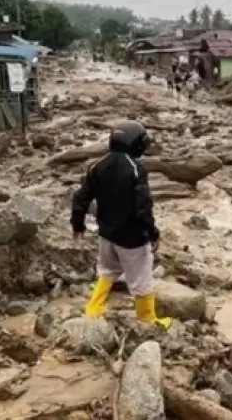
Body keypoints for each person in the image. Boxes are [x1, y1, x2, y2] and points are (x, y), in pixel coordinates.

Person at [70, 120, 172, 330]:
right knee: (142, 280)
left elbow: (81, 197)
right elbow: (143, 207)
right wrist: (153, 234)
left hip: (106, 235)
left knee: (107, 271)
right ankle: (148, 319)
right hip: (132, 239)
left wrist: (77, 225)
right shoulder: (136, 170)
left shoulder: (97, 165)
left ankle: (93, 309)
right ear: (135, 143)